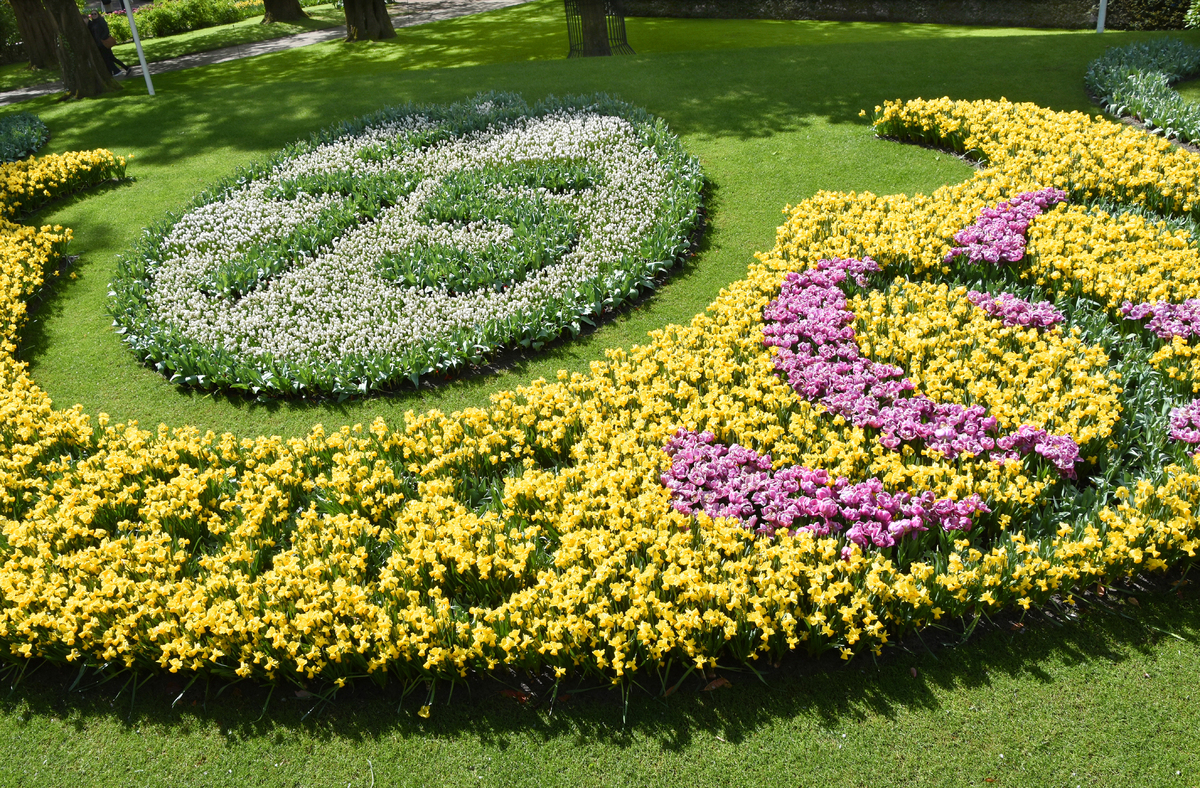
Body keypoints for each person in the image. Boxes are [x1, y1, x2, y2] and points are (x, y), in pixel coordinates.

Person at [87, 11, 131, 77]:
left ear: (98, 14)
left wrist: (102, 39)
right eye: (92, 14)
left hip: (104, 43)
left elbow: (106, 30)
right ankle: (123, 69)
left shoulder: (101, 21)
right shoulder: (93, 23)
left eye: (95, 14)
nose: (93, 15)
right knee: (109, 58)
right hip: (99, 44)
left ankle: (117, 71)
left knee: (109, 58)